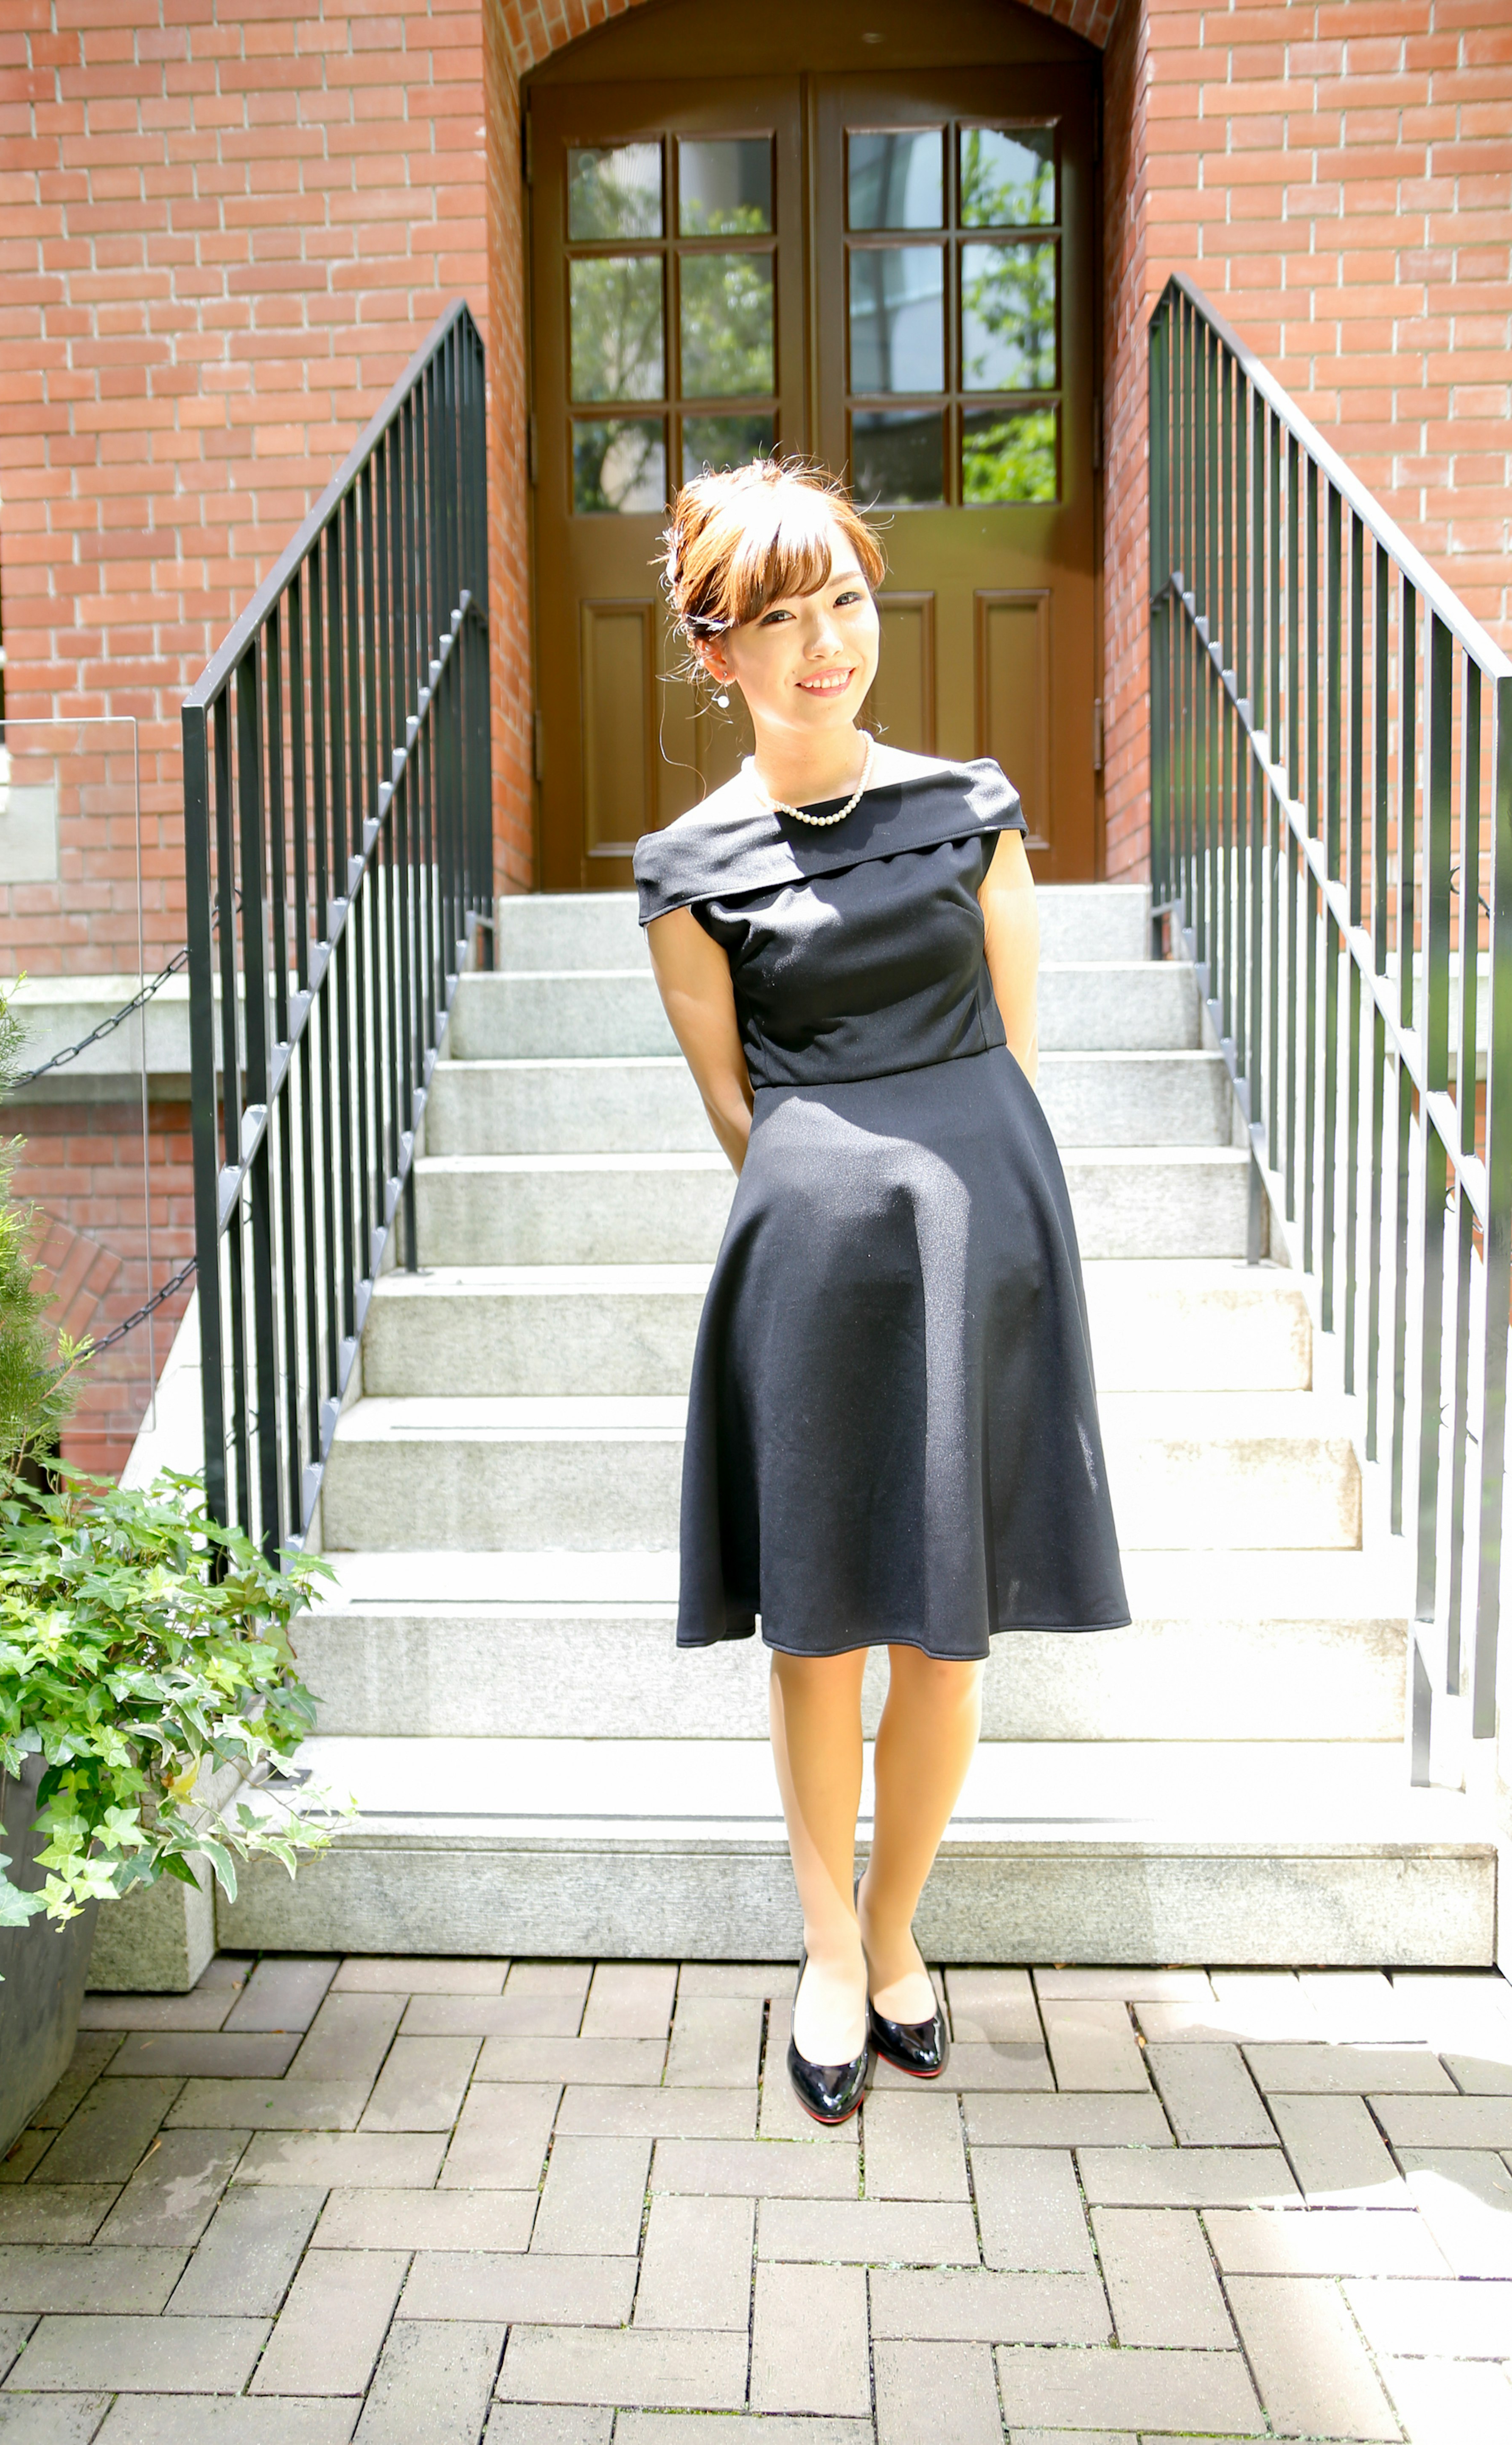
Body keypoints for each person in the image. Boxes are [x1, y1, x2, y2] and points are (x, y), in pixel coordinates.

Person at [634, 459, 1129, 2124]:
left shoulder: (968, 808)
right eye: (776, 618)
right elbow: (735, 1107)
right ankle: (828, 1950)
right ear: (716, 650)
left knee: (950, 1641)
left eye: (842, 599)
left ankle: (903, 1925)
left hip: (981, 1250)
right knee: (822, 1630)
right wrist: (835, 1211)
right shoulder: (691, 868)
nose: (821, 642)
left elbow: (1014, 1051)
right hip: (819, 1271)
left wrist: (980, 1220)